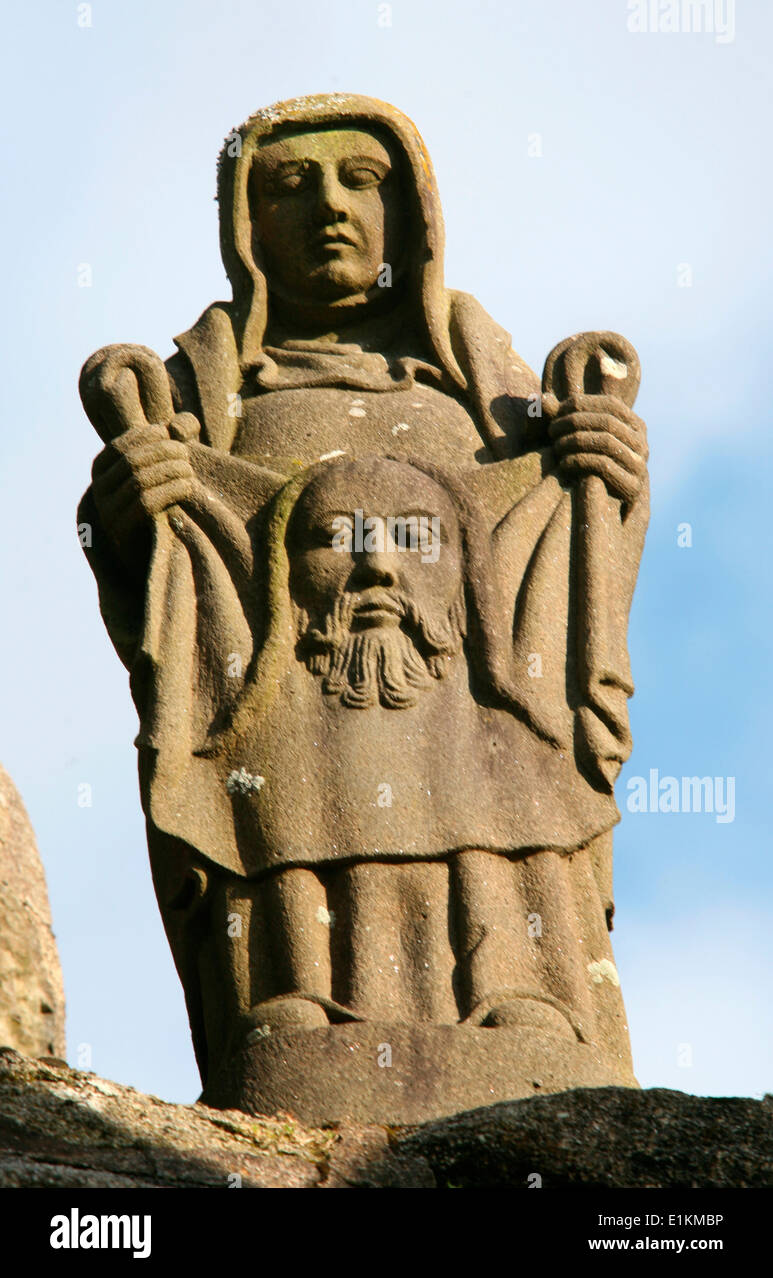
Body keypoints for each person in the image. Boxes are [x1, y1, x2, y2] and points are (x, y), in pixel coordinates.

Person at [79, 95, 648, 1101]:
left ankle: (525, 1000)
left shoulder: (486, 385)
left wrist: (606, 472)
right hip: (289, 690)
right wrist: (134, 511)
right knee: (278, 791)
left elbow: (561, 557)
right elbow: (168, 580)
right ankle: (291, 1005)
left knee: (499, 776)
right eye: (288, 187)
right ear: (244, 231)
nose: (328, 207)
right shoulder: (208, 392)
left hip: (466, 691)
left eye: (359, 180)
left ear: (413, 215)